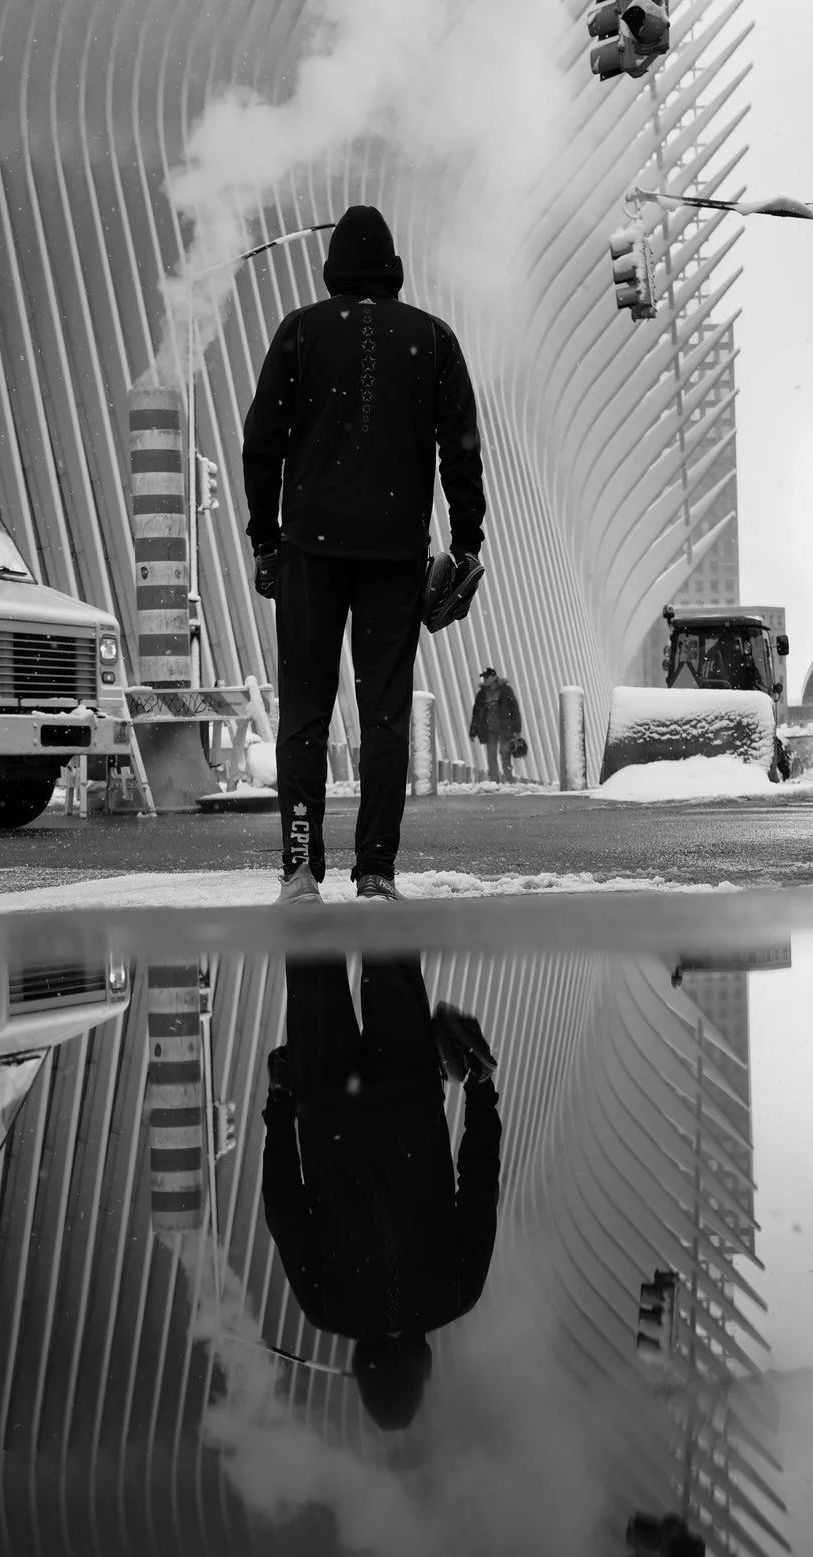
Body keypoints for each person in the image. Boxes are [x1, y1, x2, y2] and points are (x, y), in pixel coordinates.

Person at [242, 205, 487, 904]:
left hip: (310, 552)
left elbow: (262, 443)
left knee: (305, 714)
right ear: (393, 267)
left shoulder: (301, 331)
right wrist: (465, 542)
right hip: (393, 555)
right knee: (384, 715)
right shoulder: (432, 339)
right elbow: (461, 451)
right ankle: (376, 870)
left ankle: (298, 867)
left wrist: (266, 539)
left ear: (335, 269)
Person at [261, 955, 501, 1431]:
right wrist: (282, 1103)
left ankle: (375, 881)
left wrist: (480, 1091)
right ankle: (299, 879)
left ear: (423, 1370)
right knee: (312, 957)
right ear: (362, 1373)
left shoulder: (457, 1294)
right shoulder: (327, 1309)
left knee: (388, 953)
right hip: (328, 1106)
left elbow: (478, 1183)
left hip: (407, 1097)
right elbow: (283, 1204)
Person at [468, 666, 523, 782]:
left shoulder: (505, 690)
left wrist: (516, 729)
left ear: (494, 677)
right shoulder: (482, 694)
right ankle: (494, 780)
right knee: (491, 755)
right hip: (489, 729)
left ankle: (508, 778)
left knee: (504, 753)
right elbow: (477, 713)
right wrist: (473, 730)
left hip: (505, 728)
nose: (485, 680)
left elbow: (514, 709)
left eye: (487, 677)